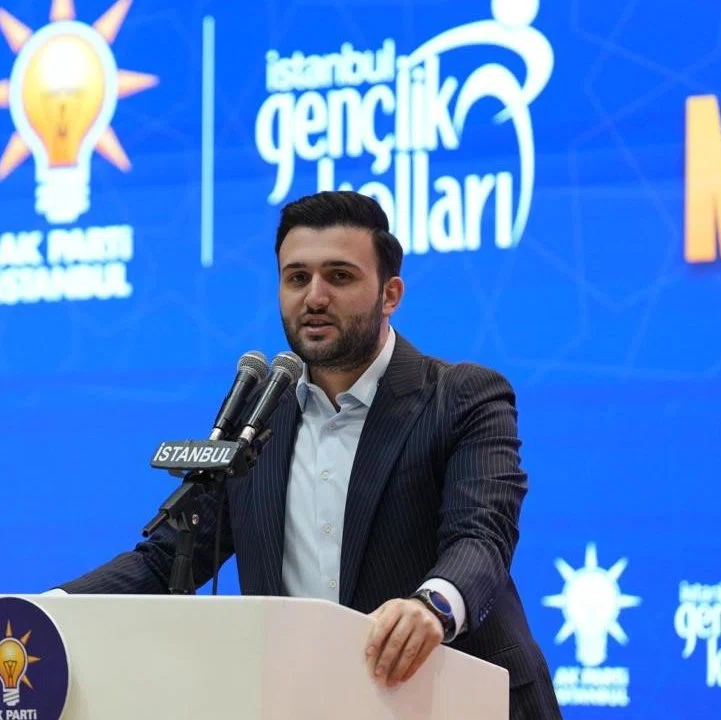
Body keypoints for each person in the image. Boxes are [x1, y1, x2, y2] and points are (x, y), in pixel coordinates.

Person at [54, 190, 560, 718]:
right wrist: (46, 610)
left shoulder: (462, 397)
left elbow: (482, 535)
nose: (314, 297)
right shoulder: (258, 414)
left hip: (456, 697)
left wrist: (432, 605)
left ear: (390, 294)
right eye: (297, 278)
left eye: (339, 276)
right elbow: (170, 556)